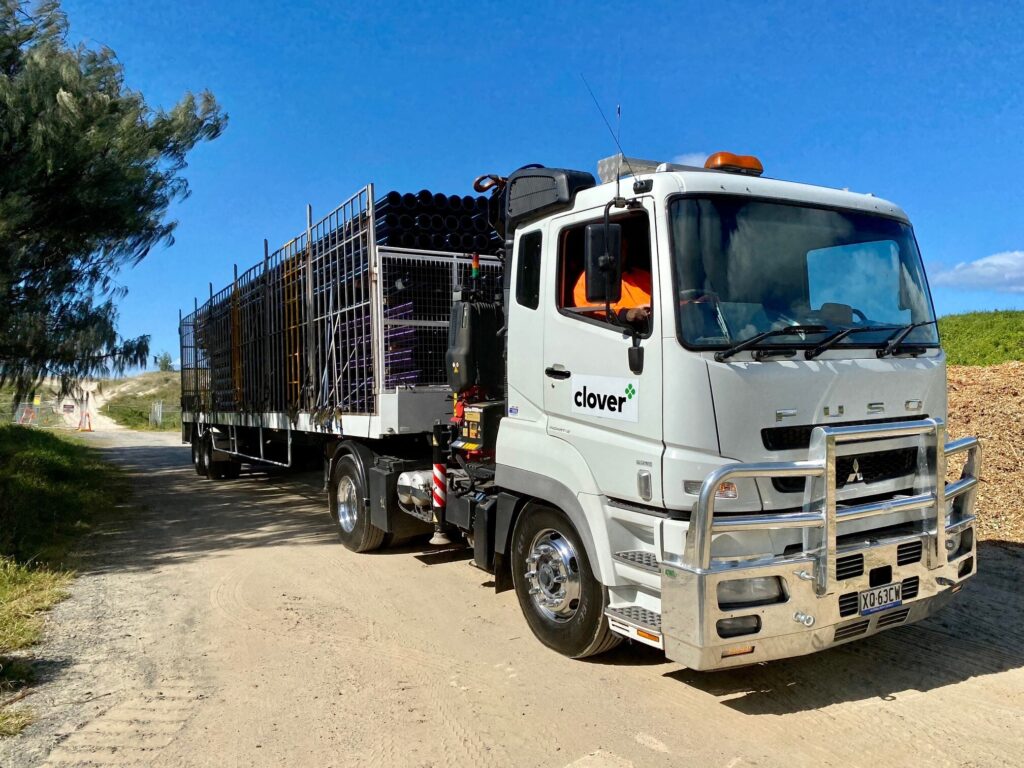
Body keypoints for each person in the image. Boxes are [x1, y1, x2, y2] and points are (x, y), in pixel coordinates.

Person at [572, 239, 651, 323]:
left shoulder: (645, 276)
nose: (619, 251)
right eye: (614, 247)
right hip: (614, 331)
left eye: (622, 247)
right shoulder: (589, 278)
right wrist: (627, 314)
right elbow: (588, 308)